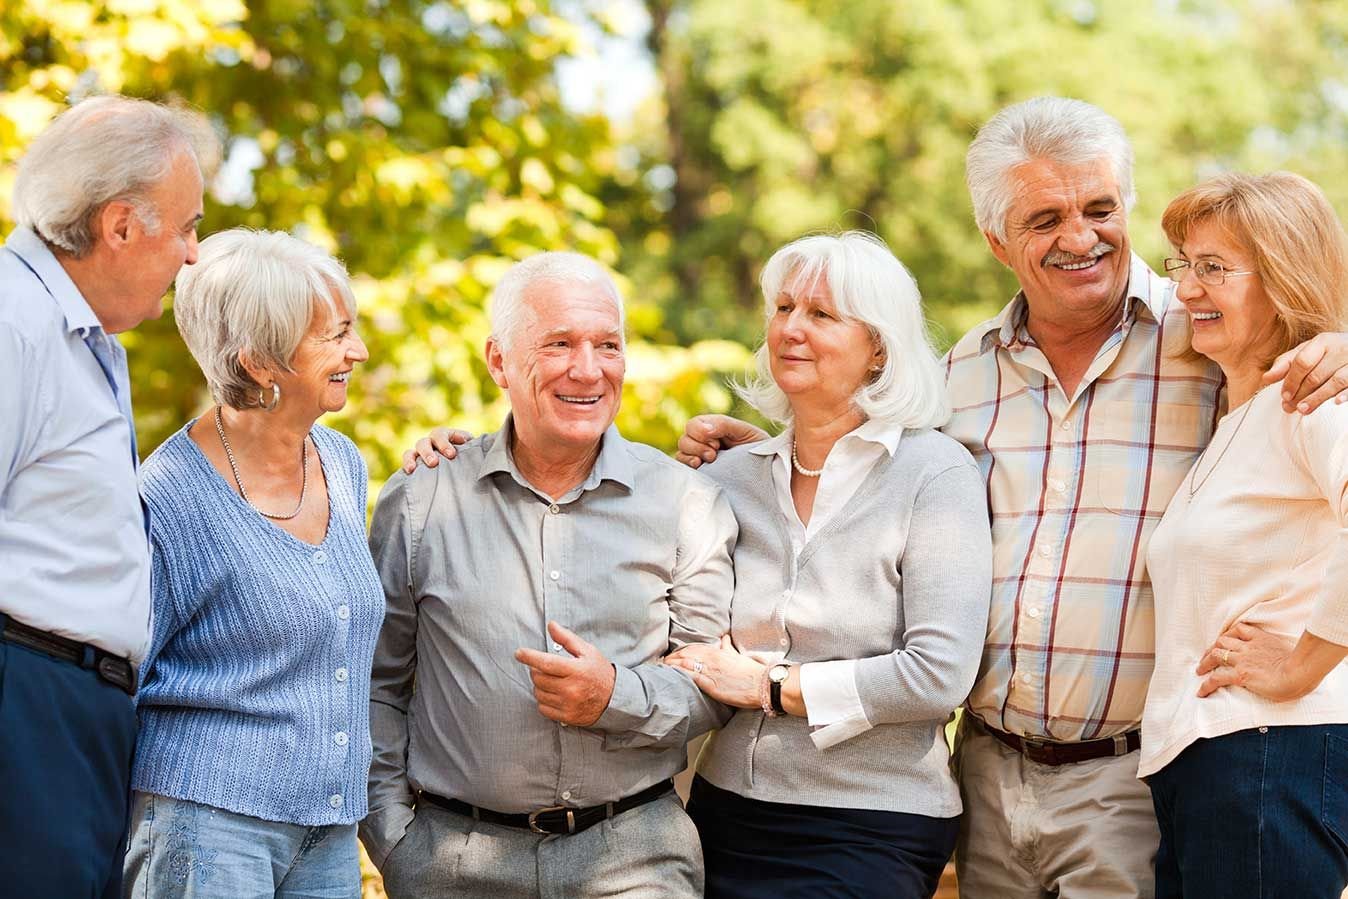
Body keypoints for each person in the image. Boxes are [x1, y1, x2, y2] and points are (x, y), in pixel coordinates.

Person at [674, 97, 1348, 898]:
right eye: (1044, 219)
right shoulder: (958, 378)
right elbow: (874, 476)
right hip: (986, 773)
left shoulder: (1208, 333)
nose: (1079, 237)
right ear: (996, 241)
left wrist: (1340, 340)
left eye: (1100, 209)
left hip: (1135, 777)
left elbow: (1299, 331)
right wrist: (772, 459)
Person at [362, 251, 737, 899]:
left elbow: (714, 685)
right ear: (499, 360)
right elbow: (373, 684)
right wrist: (395, 837)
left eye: (607, 344)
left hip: (634, 857)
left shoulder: (685, 501)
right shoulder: (422, 499)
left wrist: (614, 695)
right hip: (451, 863)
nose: (587, 369)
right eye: (559, 343)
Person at [656, 232, 991, 898]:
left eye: (821, 314)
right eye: (783, 309)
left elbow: (937, 675)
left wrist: (769, 685)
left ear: (878, 348)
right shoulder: (729, 476)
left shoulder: (934, 473)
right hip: (725, 806)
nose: (791, 329)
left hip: (873, 819)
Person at [120, 228, 383, 898]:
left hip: (326, 827)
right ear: (261, 363)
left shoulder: (343, 463)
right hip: (205, 828)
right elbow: (126, 675)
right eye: (334, 335)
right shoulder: (167, 496)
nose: (358, 350)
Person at [0, 94, 215, 899]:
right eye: (186, 225)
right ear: (121, 226)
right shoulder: (13, 317)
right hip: (26, 699)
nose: (194, 253)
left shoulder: (82, 336)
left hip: (74, 716)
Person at [1138, 172, 1348, 898]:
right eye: (1184, 265)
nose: (1188, 289)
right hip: (1209, 763)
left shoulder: (1314, 396)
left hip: (1270, 752)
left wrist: (1302, 664)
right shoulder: (1241, 419)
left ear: (1285, 277)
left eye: (1214, 268)